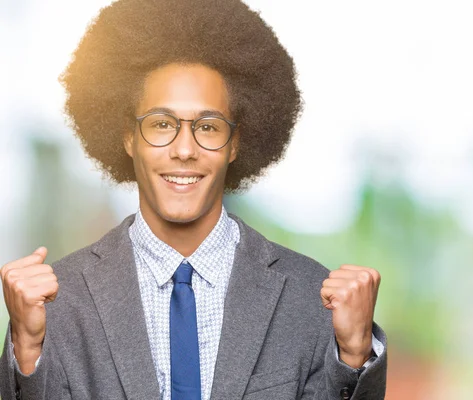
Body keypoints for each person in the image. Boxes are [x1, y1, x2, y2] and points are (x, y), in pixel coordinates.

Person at [0, 0, 387, 398]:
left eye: (207, 126)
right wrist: (27, 349)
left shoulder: (310, 296)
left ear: (235, 143)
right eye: (162, 124)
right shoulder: (61, 300)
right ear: (128, 138)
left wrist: (354, 353)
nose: (184, 149)